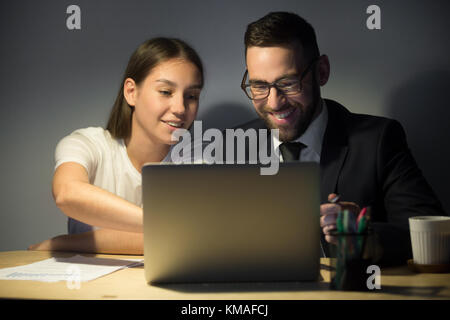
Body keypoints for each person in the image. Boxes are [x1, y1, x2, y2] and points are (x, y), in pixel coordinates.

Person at [235, 12, 446, 266]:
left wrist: (363, 235)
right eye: (259, 86)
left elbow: (434, 236)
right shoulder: (235, 144)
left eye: (289, 83)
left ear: (321, 71)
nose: (274, 102)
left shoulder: (378, 140)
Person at [28, 37, 204, 254]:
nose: (180, 108)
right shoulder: (88, 143)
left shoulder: (197, 161)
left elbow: (185, 239)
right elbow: (67, 194)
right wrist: (161, 224)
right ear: (131, 92)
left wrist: (62, 243)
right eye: (166, 92)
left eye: (192, 96)